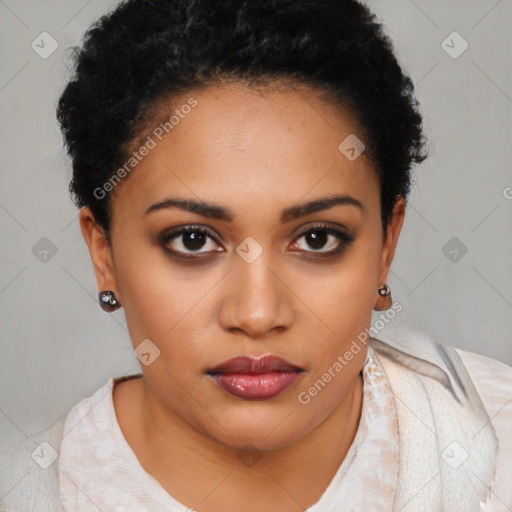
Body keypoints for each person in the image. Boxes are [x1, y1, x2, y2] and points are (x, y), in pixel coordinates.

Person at [1, 0, 510, 510]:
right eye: (193, 240)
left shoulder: (493, 448)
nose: (258, 314)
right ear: (104, 254)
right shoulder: (31, 491)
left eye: (317, 238)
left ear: (385, 244)